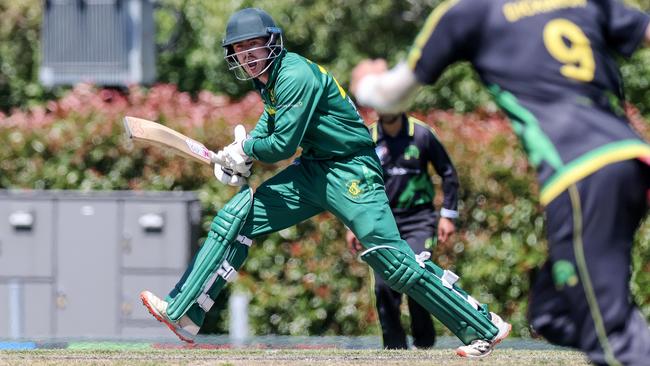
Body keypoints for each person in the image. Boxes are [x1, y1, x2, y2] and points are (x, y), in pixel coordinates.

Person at [139, 7, 510, 358]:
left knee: (391, 261)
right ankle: (185, 312)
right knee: (240, 216)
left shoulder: (295, 75)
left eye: (252, 45)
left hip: (352, 170)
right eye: (239, 49)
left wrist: (247, 149)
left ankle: (481, 325)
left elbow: (280, 145)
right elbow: (270, 127)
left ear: (272, 43)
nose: (247, 55)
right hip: (315, 168)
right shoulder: (268, 82)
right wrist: (240, 155)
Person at [351, 1, 650, 365]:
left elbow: (389, 96)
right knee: (550, 312)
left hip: (581, 172)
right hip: (632, 160)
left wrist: (365, 82)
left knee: (609, 327)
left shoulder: (468, 13)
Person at [346, 112, 459, 350]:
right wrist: (352, 224)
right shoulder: (367, 137)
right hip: (380, 222)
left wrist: (448, 215)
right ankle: (395, 349)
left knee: (417, 276)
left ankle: (425, 344)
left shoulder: (422, 134)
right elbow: (353, 182)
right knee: (384, 286)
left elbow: (447, 172)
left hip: (419, 219)